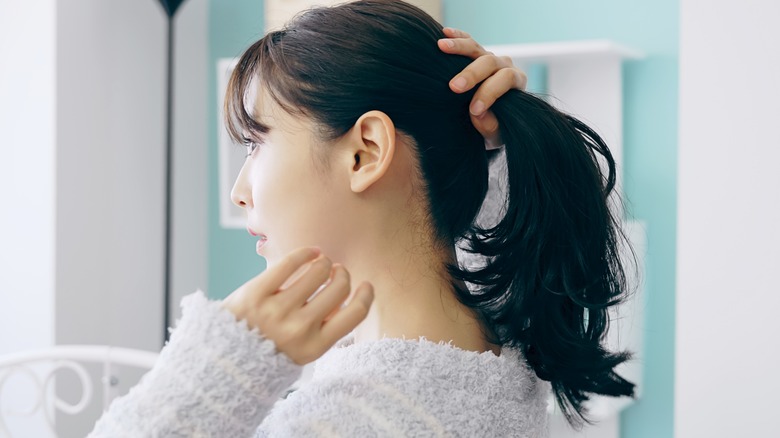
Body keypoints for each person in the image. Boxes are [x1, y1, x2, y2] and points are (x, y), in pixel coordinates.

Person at [89, 1, 635, 436]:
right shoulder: (490, 349)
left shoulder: (357, 419)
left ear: (365, 152)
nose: (239, 191)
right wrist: (486, 146)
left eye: (256, 144)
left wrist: (215, 371)